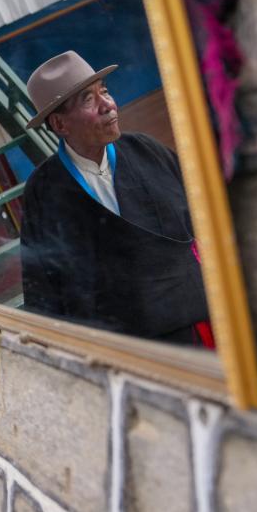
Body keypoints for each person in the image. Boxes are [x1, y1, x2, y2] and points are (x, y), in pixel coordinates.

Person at [19, 51, 213, 346]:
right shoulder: (43, 190)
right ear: (59, 124)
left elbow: (205, 219)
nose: (108, 105)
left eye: (105, 91)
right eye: (89, 99)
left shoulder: (146, 151)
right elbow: (43, 285)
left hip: (194, 320)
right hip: (121, 347)